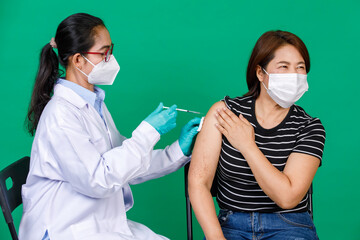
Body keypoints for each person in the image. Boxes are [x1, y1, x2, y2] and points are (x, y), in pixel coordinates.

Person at [20, 13, 200, 240]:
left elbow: (125, 164)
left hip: (96, 220)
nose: (111, 60)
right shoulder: (61, 115)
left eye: (111, 51)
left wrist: (177, 150)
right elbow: (99, 180)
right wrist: (148, 131)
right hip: (65, 227)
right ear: (78, 60)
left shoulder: (93, 104)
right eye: (104, 53)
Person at [188, 30, 325, 240]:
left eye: (300, 68)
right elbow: (199, 182)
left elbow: (287, 198)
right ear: (260, 73)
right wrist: (216, 237)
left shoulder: (309, 127)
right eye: (284, 67)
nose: (294, 75)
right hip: (230, 225)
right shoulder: (224, 113)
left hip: (289, 225)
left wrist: (247, 145)